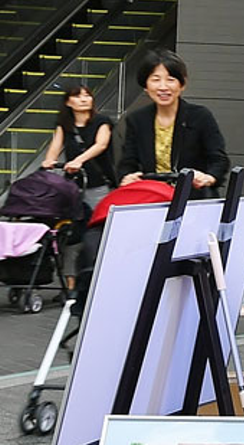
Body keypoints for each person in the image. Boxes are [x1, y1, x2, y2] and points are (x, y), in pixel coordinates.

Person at [116, 49, 229, 198]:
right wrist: (129, 177)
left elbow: (219, 160)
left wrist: (208, 178)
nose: (163, 87)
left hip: (193, 198)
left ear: (182, 84)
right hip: (152, 198)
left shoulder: (200, 116)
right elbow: (127, 163)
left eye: (170, 79)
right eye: (156, 80)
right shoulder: (136, 120)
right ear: (145, 86)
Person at [41, 83, 115, 290]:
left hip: (99, 185)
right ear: (68, 102)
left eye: (87, 95)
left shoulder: (102, 121)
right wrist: (49, 161)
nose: (84, 99)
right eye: (78, 96)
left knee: (99, 230)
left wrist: (79, 160)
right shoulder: (64, 125)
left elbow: (100, 145)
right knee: (72, 233)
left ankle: (101, 279)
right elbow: (54, 148)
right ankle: (72, 284)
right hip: (73, 186)